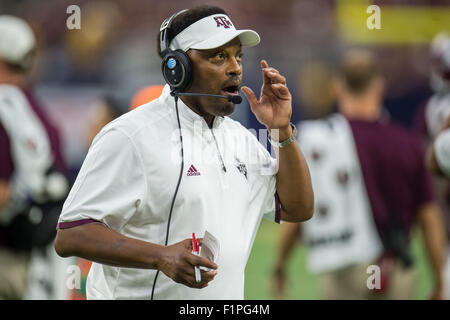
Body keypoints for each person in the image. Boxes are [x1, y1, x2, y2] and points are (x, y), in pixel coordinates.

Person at [54, 5, 314, 300]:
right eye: (219, 56)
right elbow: (71, 234)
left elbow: (298, 208)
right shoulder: (129, 135)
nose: (236, 68)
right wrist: (160, 256)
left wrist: (282, 130)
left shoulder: (242, 140)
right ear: (177, 67)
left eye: (238, 56)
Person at [271, 49, 446, 300]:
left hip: (343, 267)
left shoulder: (319, 142)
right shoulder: (407, 144)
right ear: (380, 87)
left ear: (337, 88)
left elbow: (299, 211)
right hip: (395, 269)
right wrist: (439, 280)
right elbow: (429, 217)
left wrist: (280, 264)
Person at [0, 15, 68, 299]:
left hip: (10, 257)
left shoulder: (6, 109)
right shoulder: (39, 112)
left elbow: (2, 194)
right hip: (42, 256)